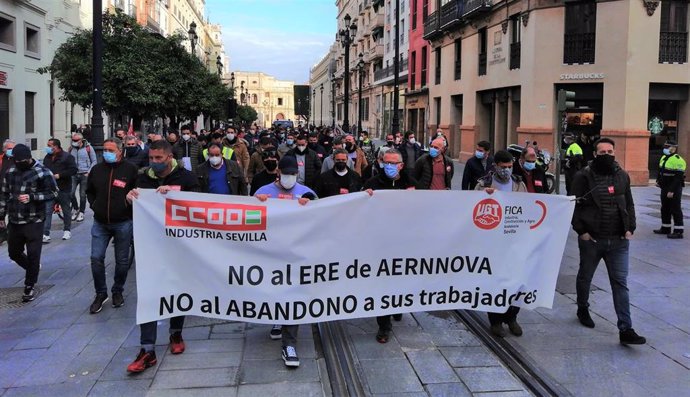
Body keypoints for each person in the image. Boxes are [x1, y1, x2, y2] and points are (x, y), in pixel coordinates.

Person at [125, 140, 199, 373]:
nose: (154, 162)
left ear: (169, 157)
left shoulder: (186, 179)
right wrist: (130, 199)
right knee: (149, 294)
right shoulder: (142, 179)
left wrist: (176, 199)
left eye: (159, 158)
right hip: (151, 248)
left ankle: (175, 333)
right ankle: (147, 349)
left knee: (177, 290)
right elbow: (132, 210)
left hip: (179, 247)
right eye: (151, 158)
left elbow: (199, 208)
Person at [571, 137, 645, 345]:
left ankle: (626, 328)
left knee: (620, 283)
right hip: (592, 240)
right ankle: (582, 307)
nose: (607, 155)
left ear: (615, 152)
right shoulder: (582, 176)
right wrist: (581, 231)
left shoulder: (622, 175)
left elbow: (629, 203)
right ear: (594, 154)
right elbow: (573, 205)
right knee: (585, 276)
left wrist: (630, 227)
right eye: (602, 152)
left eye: (610, 151)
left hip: (619, 241)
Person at [255, 155, 317, 368]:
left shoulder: (306, 193)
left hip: (297, 255)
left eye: (293, 174)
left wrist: (310, 206)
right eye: (286, 174)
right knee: (274, 291)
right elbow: (252, 222)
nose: (289, 178)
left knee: (293, 295)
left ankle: (289, 343)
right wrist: (259, 205)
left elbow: (321, 220)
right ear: (278, 172)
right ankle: (276, 319)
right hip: (271, 254)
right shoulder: (263, 192)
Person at [363, 149, 415, 343]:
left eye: (393, 163)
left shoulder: (411, 184)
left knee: (400, 279)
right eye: (386, 162)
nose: (389, 166)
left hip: (403, 243)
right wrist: (364, 196)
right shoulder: (372, 184)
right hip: (380, 244)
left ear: (401, 165)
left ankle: (397, 306)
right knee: (382, 284)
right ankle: (384, 326)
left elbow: (432, 203)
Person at [474, 150, 526, 337]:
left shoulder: (519, 184)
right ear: (495, 166)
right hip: (492, 244)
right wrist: (484, 196)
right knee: (494, 282)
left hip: (513, 241)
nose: (506, 170)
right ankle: (495, 320)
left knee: (517, 282)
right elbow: (473, 209)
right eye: (503, 167)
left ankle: (512, 317)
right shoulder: (483, 184)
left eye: (509, 167)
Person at [85, 138, 139, 314]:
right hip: (100, 222)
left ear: (119, 151)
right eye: (105, 150)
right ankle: (101, 293)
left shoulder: (130, 169)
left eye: (110, 150)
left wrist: (127, 203)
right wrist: (94, 205)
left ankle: (118, 290)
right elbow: (90, 191)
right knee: (96, 258)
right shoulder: (97, 170)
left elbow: (136, 191)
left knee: (122, 261)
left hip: (123, 222)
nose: (106, 153)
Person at [0, 144, 58, 302]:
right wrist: (1, 216)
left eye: (23, 161)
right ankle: (32, 269)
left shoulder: (42, 172)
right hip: (15, 220)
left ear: (29, 158)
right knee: (14, 252)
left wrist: (32, 197)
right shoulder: (10, 172)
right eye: (17, 161)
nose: (19, 163)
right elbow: (4, 194)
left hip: (34, 220)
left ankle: (29, 286)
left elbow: (53, 192)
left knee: (34, 254)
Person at [42, 138, 78, 242]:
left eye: (49, 145)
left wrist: (60, 175)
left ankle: (67, 230)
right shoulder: (47, 157)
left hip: (63, 188)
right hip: (50, 189)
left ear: (56, 147)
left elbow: (73, 170)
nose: (48, 147)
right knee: (47, 211)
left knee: (66, 209)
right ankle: (46, 233)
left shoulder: (67, 157)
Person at [653, 140, 686, 239]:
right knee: (665, 208)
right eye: (665, 146)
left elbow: (678, 177)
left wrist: (671, 190)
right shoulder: (664, 157)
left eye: (668, 147)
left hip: (674, 188)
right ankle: (665, 228)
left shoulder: (679, 160)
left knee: (675, 209)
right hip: (664, 187)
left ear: (674, 148)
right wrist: (658, 181)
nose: (665, 148)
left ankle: (678, 231)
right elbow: (661, 171)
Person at [68, 132, 97, 222]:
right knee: (71, 193)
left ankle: (82, 212)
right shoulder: (71, 148)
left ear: (81, 140)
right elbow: (68, 160)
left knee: (82, 195)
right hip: (74, 174)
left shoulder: (88, 148)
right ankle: (76, 209)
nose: (74, 141)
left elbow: (94, 161)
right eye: (73, 140)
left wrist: (88, 172)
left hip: (84, 174)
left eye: (76, 140)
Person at [0, 139, 16, 244]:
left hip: (14, 191)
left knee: (13, 214)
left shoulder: (17, 159)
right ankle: (2, 234)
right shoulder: (1, 159)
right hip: (1, 190)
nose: (11, 150)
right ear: (4, 149)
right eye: (9, 149)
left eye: (13, 149)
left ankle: (12, 235)